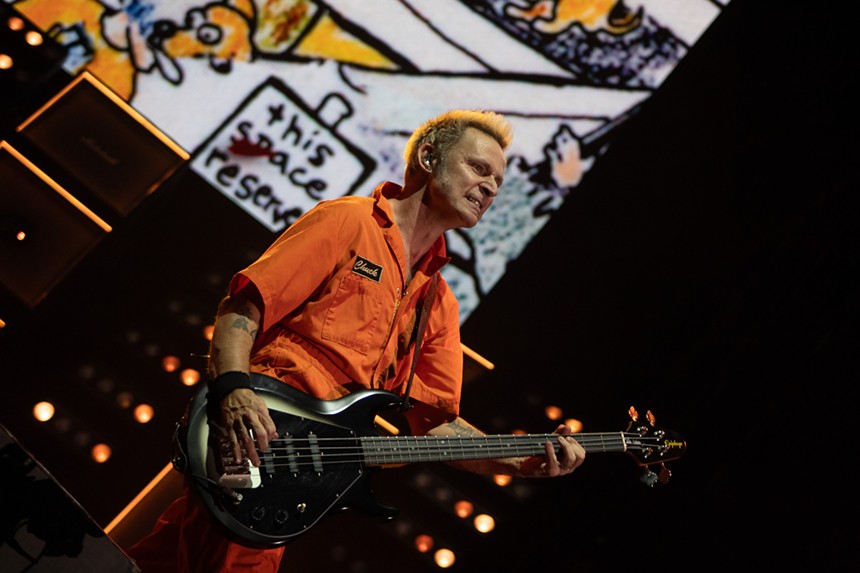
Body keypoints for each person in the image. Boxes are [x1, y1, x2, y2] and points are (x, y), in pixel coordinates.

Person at [124, 109, 586, 572]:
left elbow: (438, 424)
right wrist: (233, 392)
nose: (489, 188)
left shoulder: (439, 301)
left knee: (165, 560)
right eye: (478, 168)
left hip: (309, 467)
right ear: (428, 157)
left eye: (497, 182)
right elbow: (243, 308)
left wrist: (522, 462)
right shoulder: (348, 221)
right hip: (259, 432)